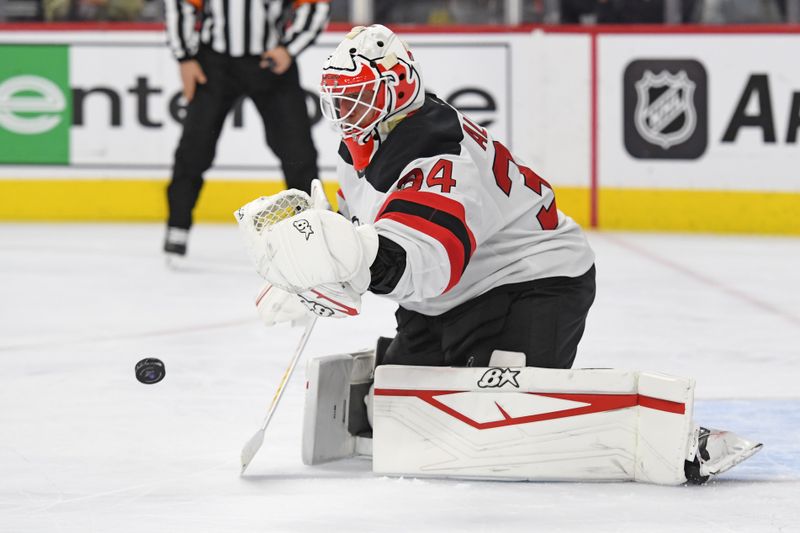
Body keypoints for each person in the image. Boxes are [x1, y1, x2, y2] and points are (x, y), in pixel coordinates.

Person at [245, 24, 596, 371]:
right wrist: (309, 268)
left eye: (358, 98)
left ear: (398, 88)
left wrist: (347, 258)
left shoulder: (440, 152)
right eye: (339, 100)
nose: (345, 113)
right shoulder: (363, 141)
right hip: (448, 296)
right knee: (392, 409)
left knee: (500, 413)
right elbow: (361, 222)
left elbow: (428, 264)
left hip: (530, 280)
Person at [162, 0, 328, 257]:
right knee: (196, 145)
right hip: (214, 64)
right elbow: (182, 4)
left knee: (297, 148)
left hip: (270, 60)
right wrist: (184, 56)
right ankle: (177, 225)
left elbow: (314, 5)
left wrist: (289, 48)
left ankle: (310, 231)